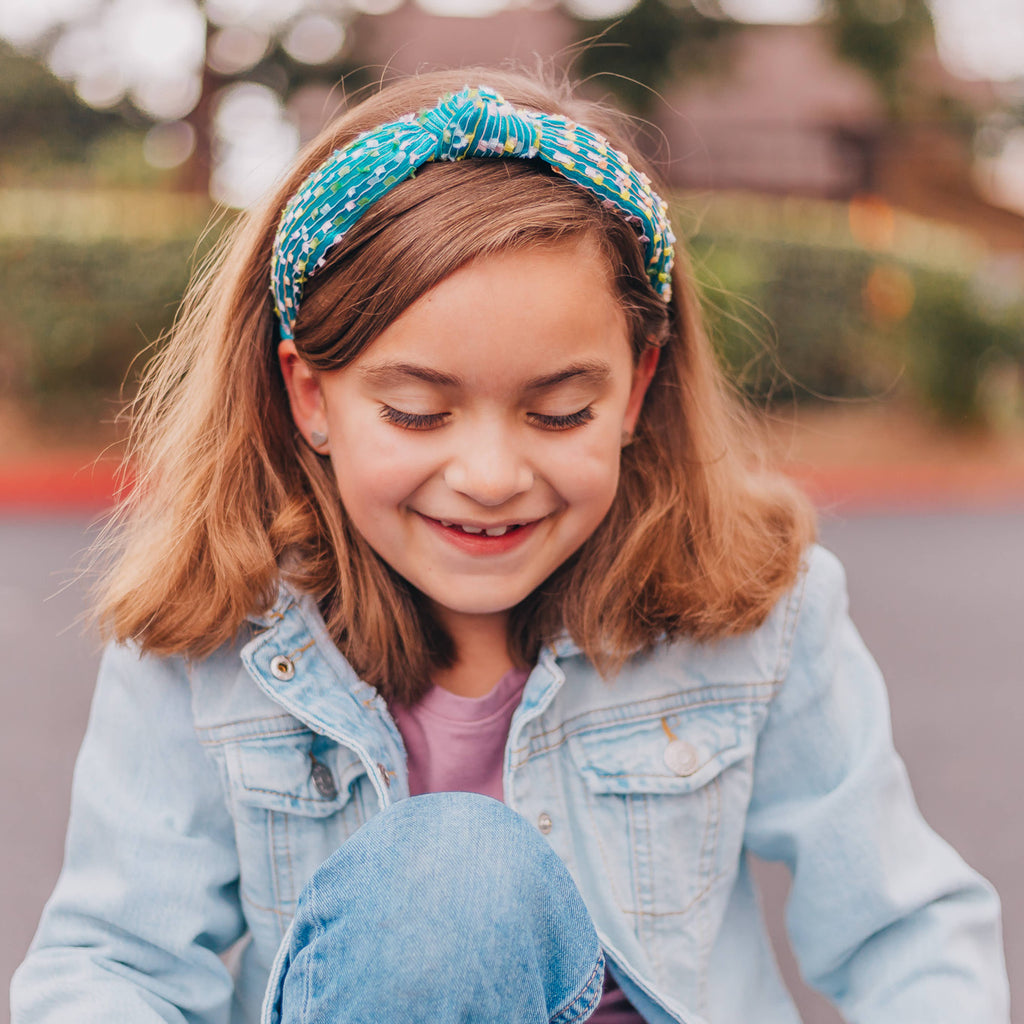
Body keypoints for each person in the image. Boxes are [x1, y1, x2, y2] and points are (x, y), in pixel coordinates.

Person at [11, 68, 1009, 1024]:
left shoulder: (756, 608)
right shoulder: (211, 633)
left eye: (558, 411)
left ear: (636, 385)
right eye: (415, 413)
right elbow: (120, 962)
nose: (490, 475)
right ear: (310, 395)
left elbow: (901, 929)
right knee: (454, 872)